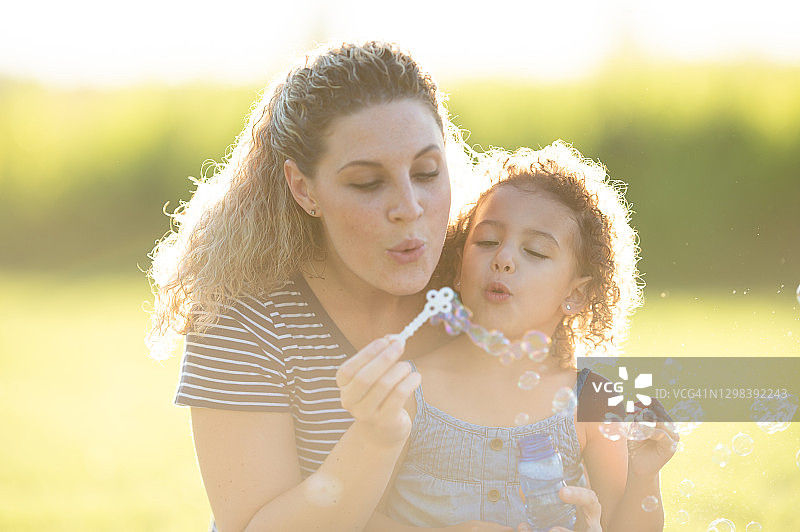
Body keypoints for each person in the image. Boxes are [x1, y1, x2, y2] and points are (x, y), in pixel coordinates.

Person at [148, 40, 605, 531]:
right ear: (304, 189)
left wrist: (657, 438)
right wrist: (375, 438)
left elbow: (588, 375)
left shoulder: (475, 278)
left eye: (427, 172)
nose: (409, 207)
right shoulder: (244, 321)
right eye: (368, 183)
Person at [365, 142, 677, 531]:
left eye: (535, 251)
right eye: (487, 242)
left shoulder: (591, 400)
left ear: (575, 294)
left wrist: (645, 476)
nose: (504, 258)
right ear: (459, 267)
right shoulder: (409, 389)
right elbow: (357, 518)